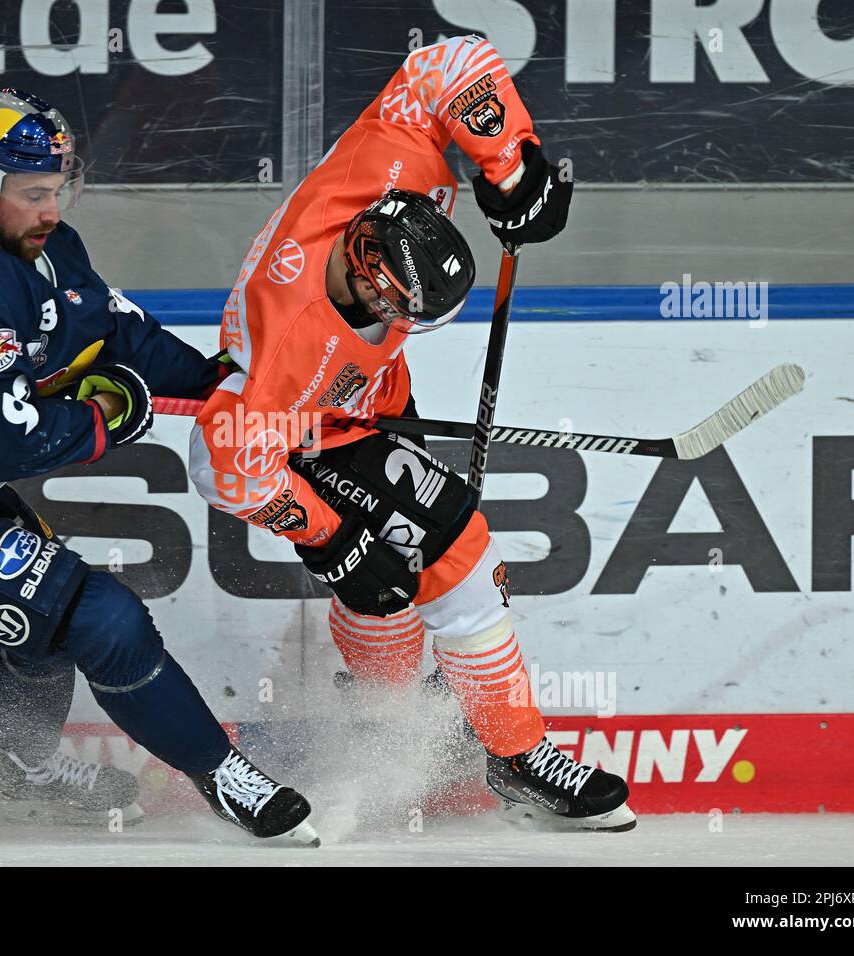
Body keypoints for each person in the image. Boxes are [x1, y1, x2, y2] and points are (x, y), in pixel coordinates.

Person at [0, 88, 318, 845]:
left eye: (59, 188)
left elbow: (114, 332)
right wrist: (111, 418)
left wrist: (227, 390)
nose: (51, 208)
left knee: (39, 628)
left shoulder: (39, 244)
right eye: (32, 192)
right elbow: (9, 444)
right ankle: (222, 774)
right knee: (102, 618)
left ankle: (24, 775)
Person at [188, 36, 634, 830]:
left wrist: (511, 165)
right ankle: (515, 754)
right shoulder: (285, 344)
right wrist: (331, 539)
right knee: (454, 553)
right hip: (303, 438)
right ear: (369, 280)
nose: (407, 324)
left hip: (365, 400)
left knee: (392, 589)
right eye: (405, 315)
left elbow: (452, 63)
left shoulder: (392, 166)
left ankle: (377, 724)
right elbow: (223, 467)